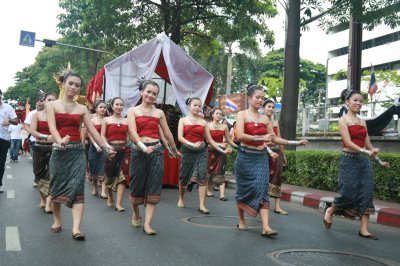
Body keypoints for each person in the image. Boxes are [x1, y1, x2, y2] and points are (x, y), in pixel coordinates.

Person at [47, 72, 114, 241]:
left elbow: (94, 132)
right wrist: (59, 140)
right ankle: (57, 220)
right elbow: (52, 127)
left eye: (77, 85)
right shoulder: (52, 105)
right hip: (58, 152)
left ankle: (76, 228)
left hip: (77, 153)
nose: (73, 87)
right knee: (56, 186)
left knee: (78, 187)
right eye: (70, 83)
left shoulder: (82, 108)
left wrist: (106, 149)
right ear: (63, 84)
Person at [234, 85, 307, 237]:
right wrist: (261, 138)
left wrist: (295, 142)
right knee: (243, 190)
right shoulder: (242, 115)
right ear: (249, 98)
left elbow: (275, 138)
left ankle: (266, 227)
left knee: (262, 188)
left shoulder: (265, 119)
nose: (260, 100)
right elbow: (240, 136)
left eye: (262, 97)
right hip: (245, 156)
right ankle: (241, 219)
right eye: (257, 97)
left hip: (260, 158)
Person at [323, 90, 389, 240]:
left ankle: (364, 229)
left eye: (361, 101)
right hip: (348, 160)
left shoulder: (363, 121)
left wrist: (379, 161)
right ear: (348, 102)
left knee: (367, 191)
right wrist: (366, 152)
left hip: (363, 162)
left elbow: (368, 144)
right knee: (348, 192)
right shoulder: (343, 120)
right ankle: (330, 210)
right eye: (355, 100)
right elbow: (347, 142)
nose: (358, 103)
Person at [127, 80, 180, 235]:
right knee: (137, 186)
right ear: (142, 92)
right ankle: (136, 213)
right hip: (139, 151)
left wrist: (174, 149)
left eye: (154, 93)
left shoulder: (159, 113)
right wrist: (143, 148)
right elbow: (132, 132)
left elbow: (168, 133)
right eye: (148, 92)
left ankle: (148, 224)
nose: (151, 95)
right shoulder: (133, 111)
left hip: (156, 151)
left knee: (154, 185)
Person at [177, 97, 222, 214]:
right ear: (189, 106)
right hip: (187, 151)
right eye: (195, 105)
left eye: (199, 106)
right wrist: (192, 144)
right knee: (184, 176)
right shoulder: (183, 120)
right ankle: (181, 198)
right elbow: (180, 138)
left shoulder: (204, 122)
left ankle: (202, 205)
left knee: (203, 176)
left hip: (201, 152)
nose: (197, 107)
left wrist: (221, 149)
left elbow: (210, 140)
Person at [30, 92, 57, 213]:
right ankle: (42, 198)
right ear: (44, 101)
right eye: (49, 100)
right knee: (38, 175)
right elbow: (33, 131)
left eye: (54, 100)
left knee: (51, 175)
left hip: (54, 148)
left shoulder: (57, 116)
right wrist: (45, 136)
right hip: (39, 147)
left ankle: (48, 202)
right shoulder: (36, 115)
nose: (51, 102)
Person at [101, 97, 129, 212]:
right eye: (117, 104)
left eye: (121, 105)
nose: (119, 107)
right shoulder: (106, 120)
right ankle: (110, 198)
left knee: (122, 178)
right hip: (111, 151)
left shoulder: (126, 121)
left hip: (124, 151)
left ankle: (119, 203)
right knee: (109, 177)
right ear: (112, 106)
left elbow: (129, 136)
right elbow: (102, 136)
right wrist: (108, 147)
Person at [205, 108, 237, 200]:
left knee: (221, 172)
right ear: (212, 115)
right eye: (217, 113)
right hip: (211, 151)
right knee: (209, 171)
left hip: (221, 152)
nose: (219, 115)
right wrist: (219, 144)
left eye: (221, 114)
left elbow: (229, 139)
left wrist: (237, 146)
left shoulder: (224, 127)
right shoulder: (208, 126)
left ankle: (222, 194)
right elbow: (208, 140)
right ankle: (209, 190)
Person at [263, 99, 288, 215]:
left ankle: (277, 206)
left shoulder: (276, 123)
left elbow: (279, 139)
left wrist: (283, 155)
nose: (271, 109)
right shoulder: (259, 121)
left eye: (273, 107)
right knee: (264, 178)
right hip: (264, 152)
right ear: (264, 108)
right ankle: (262, 203)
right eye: (269, 106)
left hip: (277, 153)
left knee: (277, 178)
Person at [87, 100, 108, 198]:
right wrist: (96, 145)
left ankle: (103, 191)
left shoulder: (108, 120)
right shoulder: (93, 120)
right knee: (93, 166)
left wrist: (105, 145)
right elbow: (90, 134)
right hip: (94, 147)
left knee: (104, 167)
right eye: (101, 107)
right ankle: (95, 187)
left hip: (105, 147)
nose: (103, 109)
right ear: (96, 109)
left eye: (104, 107)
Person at [0, 89, 18, 193]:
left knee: (0, 163)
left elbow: (16, 121)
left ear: (1, 96)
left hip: (4, 139)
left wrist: (9, 121)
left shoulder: (8, 107)